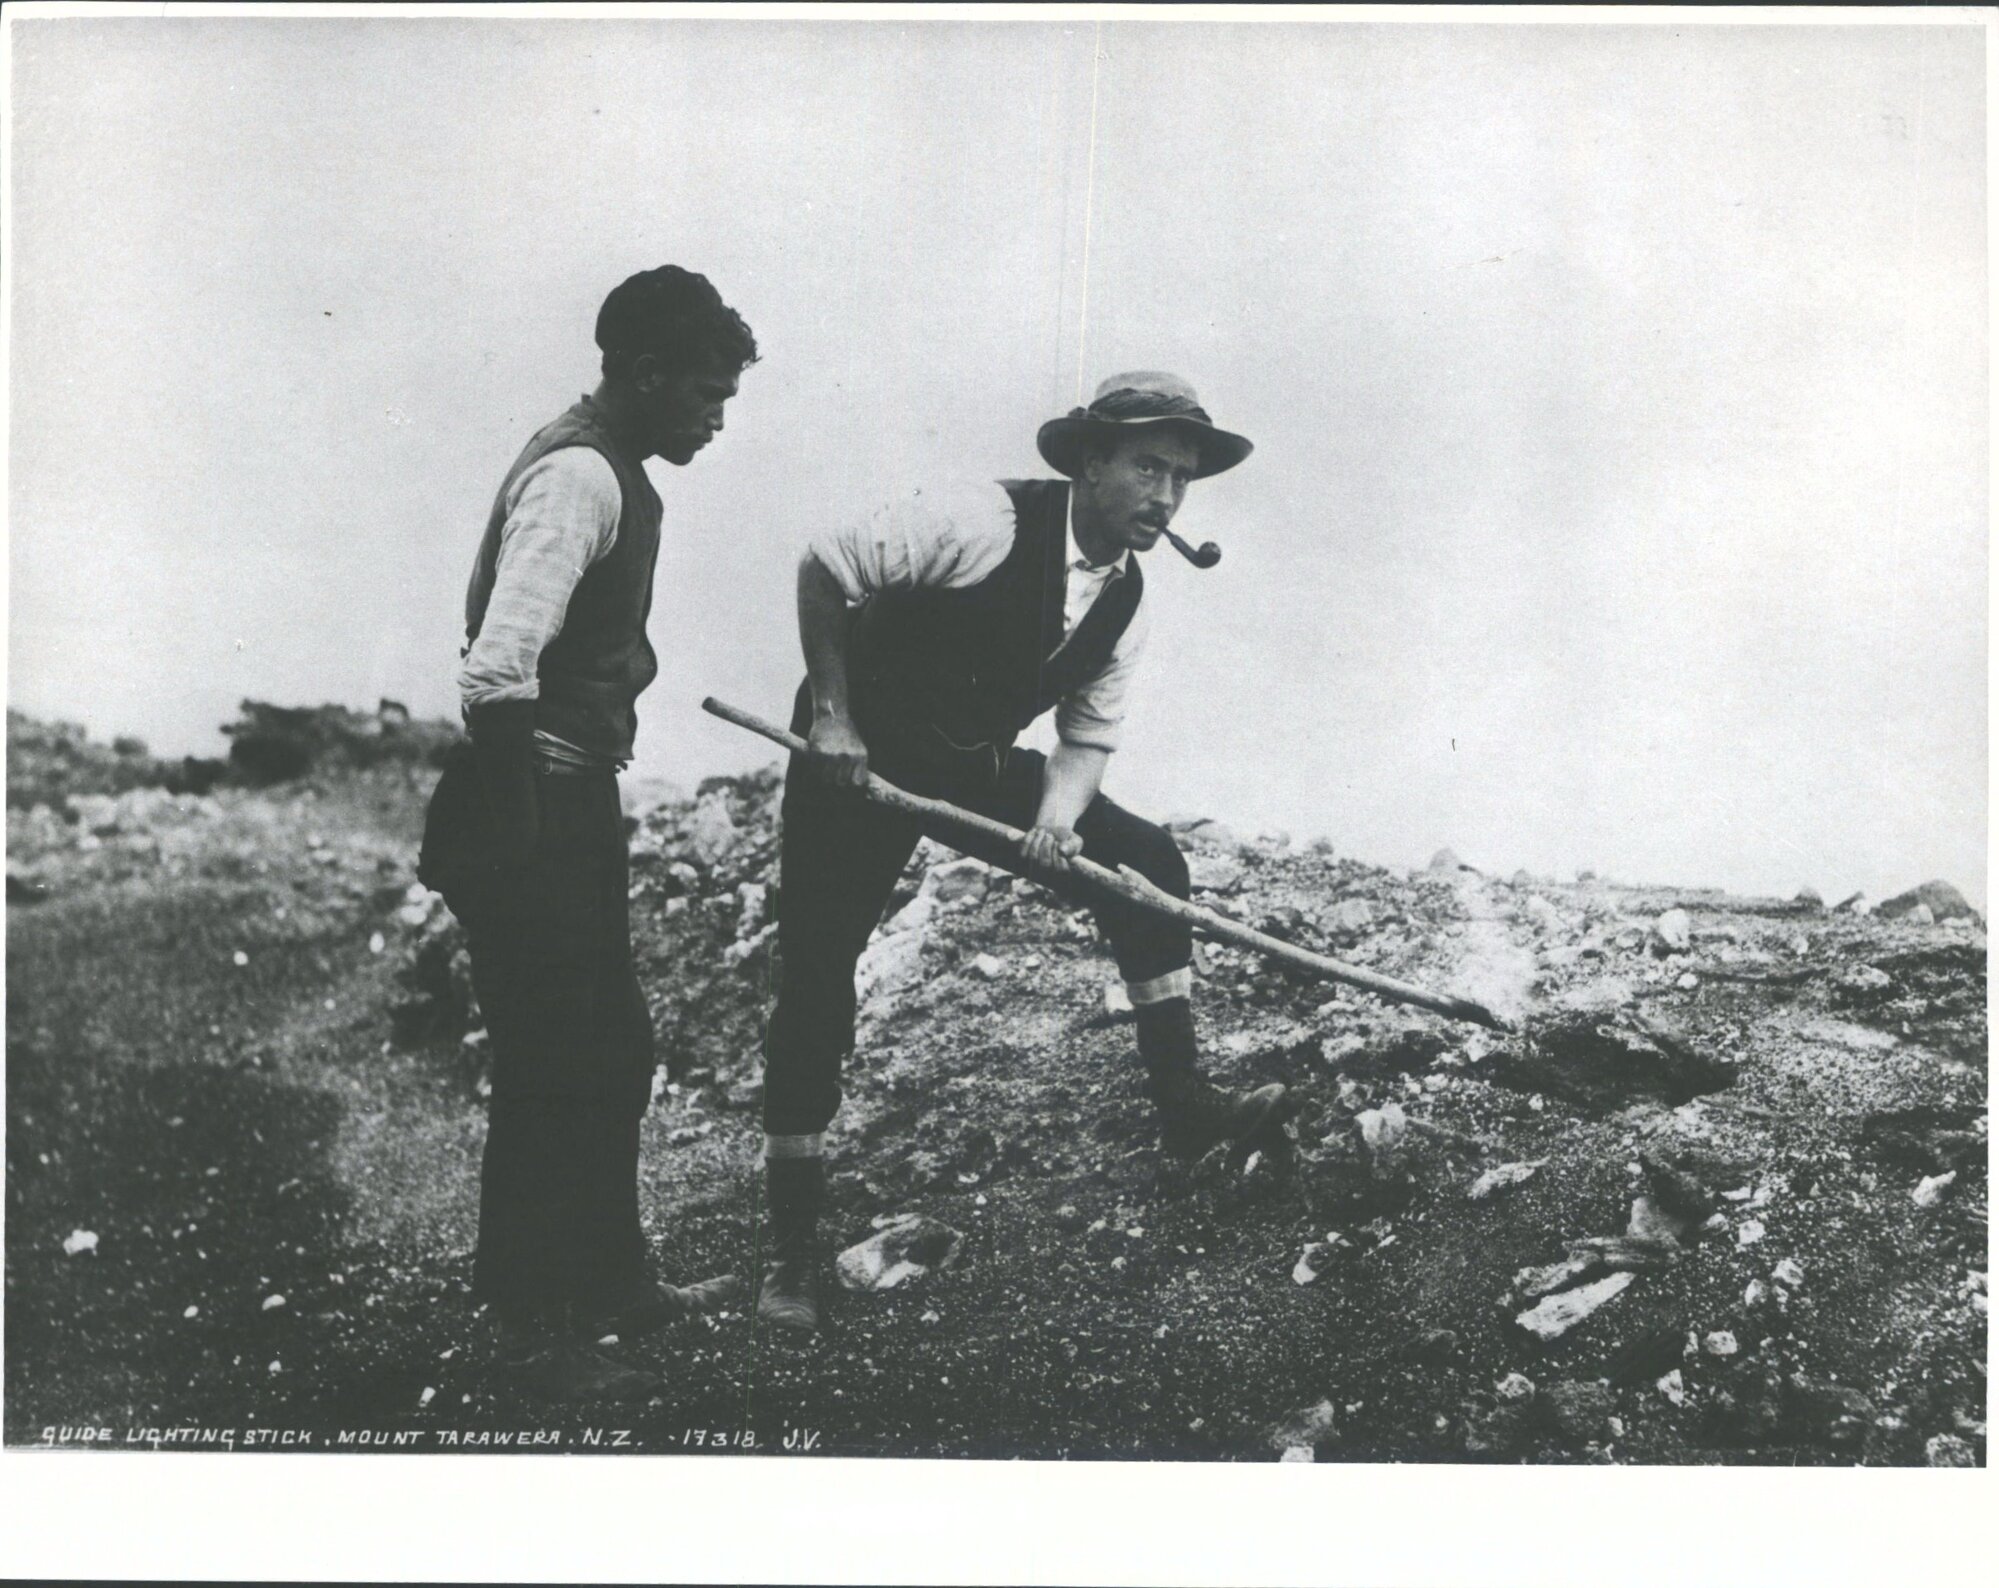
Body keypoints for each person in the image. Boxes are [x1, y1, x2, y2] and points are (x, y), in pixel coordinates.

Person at [756, 371, 1290, 1333]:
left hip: (972, 764)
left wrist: (1054, 821)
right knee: (818, 975)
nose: (1164, 498)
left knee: (1148, 868)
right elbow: (826, 566)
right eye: (1145, 468)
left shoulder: (1123, 600)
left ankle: (1182, 1106)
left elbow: (1085, 739)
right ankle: (791, 1252)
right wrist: (833, 717)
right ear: (1090, 462)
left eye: (1181, 479)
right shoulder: (981, 520)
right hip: (857, 761)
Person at [418, 266, 757, 1399]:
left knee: (609, 1048)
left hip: (570, 790)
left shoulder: (608, 469)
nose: (716, 416)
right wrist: (528, 823)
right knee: (555, 1055)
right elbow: (497, 666)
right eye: (705, 392)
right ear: (645, 374)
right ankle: (527, 1324)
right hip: (538, 794)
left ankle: (613, 1283)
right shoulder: (579, 477)